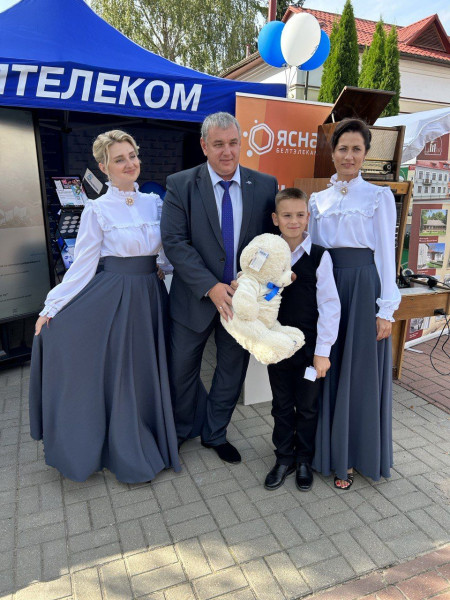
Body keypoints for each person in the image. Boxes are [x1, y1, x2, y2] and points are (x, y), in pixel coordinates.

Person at [29, 130, 181, 483]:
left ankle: (149, 432)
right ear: (104, 166)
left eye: (133, 155)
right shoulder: (96, 210)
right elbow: (82, 266)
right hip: (117, 297)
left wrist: (162, 267)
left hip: (151, 295)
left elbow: (166, 253)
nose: (130, 164)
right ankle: (124, 444)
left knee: (144, 371)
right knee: (122, 372)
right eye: (119, 159)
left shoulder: (155, 203)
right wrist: (51, 307)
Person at [160, 112, 278, 464]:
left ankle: (215, 433)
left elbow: (269, 243)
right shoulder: (180, 184)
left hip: (241, 304)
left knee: (231, 373)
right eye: (218, 144)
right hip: (193, 300)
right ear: (204, 146)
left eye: (233, 143)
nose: (227, 152)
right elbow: (175, 242)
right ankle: (180, 431)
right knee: (181, 371)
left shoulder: (265, 185)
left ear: (241, 144)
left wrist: (258, 283)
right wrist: (210, 286)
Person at [309, 118, 401, 489]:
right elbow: (312, 253)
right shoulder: (317, 200)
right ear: (332, 153)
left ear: (366, 154)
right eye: (343, 148)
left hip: (363, 290)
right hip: (328, 290)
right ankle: (331, 453)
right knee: (328, 369)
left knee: (359, 374)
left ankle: (355, 455)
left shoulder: (379, 197)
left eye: (356, 149)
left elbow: (386, 255)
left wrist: (386, 309)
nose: (349, 156)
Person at [265, 188, 340, 492]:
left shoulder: (320, 257)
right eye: (287, 215)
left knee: (307, 406)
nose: (293, 221)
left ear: (308, 218)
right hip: (277, 346)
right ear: (276, 219)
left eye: (299, 215)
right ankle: (284, 457)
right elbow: (262, 297)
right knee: (281, 405)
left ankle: (304, 458)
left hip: (310, 350)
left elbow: (330, 305)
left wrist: (323, 351)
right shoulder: (268, 255)